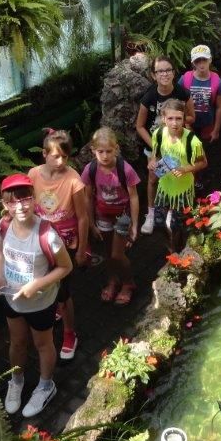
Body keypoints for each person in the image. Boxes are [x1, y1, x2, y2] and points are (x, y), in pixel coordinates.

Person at [0, 174, 72, 419]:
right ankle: (16, 380)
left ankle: (46, 385)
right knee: (17, 342)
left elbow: (65, 267)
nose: (20, 206)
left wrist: (38, 284)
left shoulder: (46, 234)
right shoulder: (3, 226)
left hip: (41, 302)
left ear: (34, 198)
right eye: (12, 201)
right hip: (12, 299)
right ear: (5, 204)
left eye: (25, 199)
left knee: (42, 343)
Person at [28, 129, 90, 361]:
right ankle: (57, 310)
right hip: (41, 240)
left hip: (65, 242)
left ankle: (69, 332)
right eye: (55, 156)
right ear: (44, 154)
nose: (61, 162)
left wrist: (82, 249)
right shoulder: (33, 175)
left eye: (65, 157)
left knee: (63, 292)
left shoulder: (74, 180)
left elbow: (82, 217)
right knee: (47, 282)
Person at [81, 127, 141, 306]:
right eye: (100, 151)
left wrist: (135, 224)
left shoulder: (125, 169)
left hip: (122, 216)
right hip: (102, 215)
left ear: (116, 149)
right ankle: (113, 280)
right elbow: (87, 197)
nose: (105, 156)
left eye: (108, 151)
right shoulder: (90, 170)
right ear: (93, 151)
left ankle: (128, 283)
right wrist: (91, 223)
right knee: (108, 252)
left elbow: (134, 197)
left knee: (117, 254)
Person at [135, 56, 194, 235]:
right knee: (154, 178)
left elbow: (192, 117)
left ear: (174, 72)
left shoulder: (183, 93)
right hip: (155, 146)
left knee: (175, 176)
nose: (165, 74)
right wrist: (156, 146)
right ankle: (151, 213)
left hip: (176, 144)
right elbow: (140, 126)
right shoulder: (149, 97)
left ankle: (171, 211)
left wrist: (177, 121)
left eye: (168, 70)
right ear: (154, 75)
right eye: (160, 71)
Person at [148, 99, 207, 252]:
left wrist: (185, 169)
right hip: (164, 186)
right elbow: (156, 154)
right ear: (163, 119)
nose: (174, 123)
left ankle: (177, 252)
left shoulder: (192, 141)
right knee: (159, 223)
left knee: (177, 225)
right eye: (170, 118)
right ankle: (170, 248)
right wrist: (153, 162)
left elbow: (203, 163)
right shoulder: (158, 134)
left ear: (184, 119)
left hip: (183, 190)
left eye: (178, 118)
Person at [179, 44, 221, 144]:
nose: (201, 64)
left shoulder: (218, 82)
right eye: (197, 61)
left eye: (204, 60)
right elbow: (176, 102)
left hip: (207, 123)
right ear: (193, 63)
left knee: (205, 147)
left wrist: (216, 129)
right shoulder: (184, 79)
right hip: (188, 123)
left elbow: (219, 107)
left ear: (210, 60)